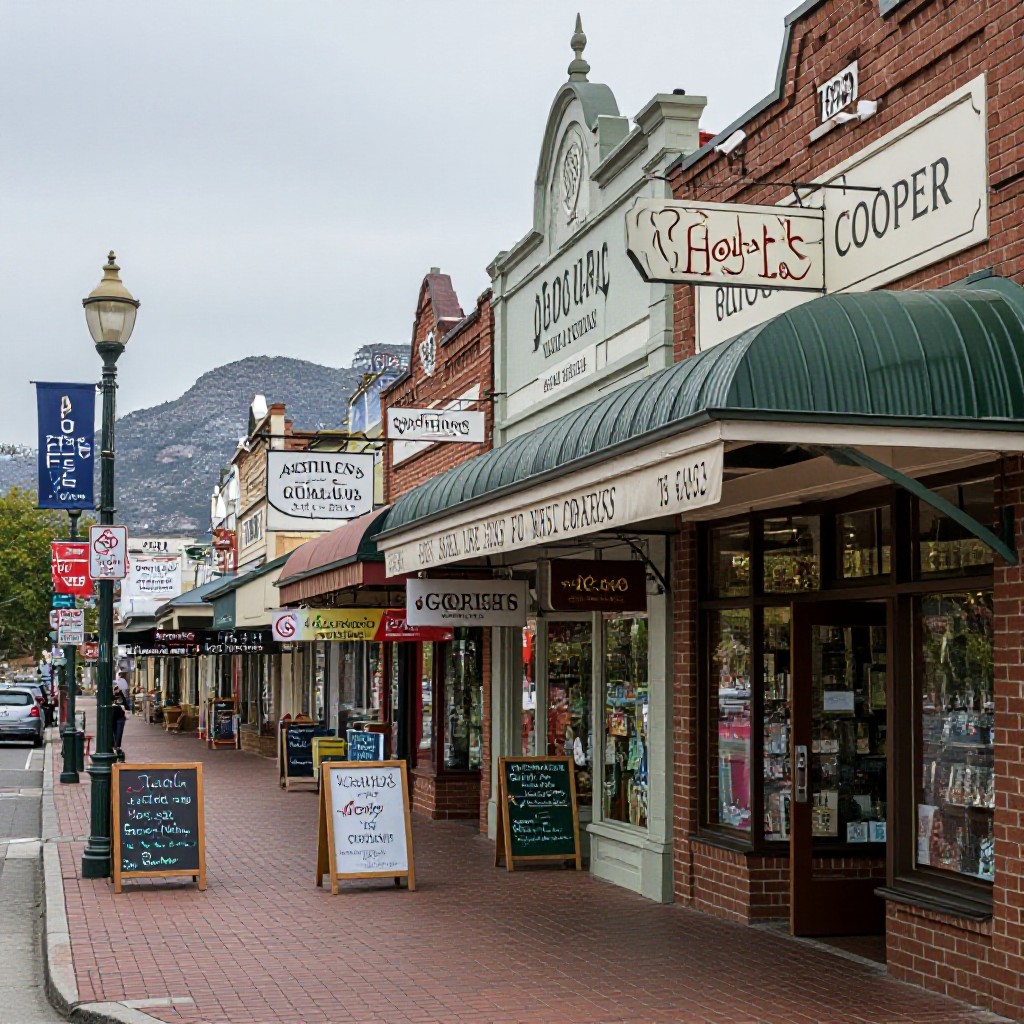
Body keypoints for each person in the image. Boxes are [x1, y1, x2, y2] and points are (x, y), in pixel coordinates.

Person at [112, 691, 127, 761]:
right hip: (111, 718)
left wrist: (121, 706)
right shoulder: (109, 695)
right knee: (113, 735)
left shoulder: (121, 697)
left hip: (120, 718)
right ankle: (115, 749)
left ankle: (117, 749)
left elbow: (127, 707)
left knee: (118, 735)